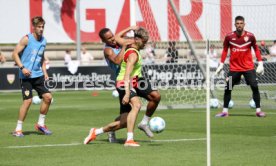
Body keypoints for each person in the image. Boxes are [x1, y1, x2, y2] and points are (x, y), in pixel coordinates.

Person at [84, 27, 161, 147]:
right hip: (124, 81)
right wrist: (127, 93)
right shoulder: (109, 50)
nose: (113, 39)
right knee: (128, 117)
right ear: (104, 41)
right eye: (109, 38)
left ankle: (143, 124)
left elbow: (118, 37)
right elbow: (118, 61)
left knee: (155, 96)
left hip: (135, 79)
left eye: (112, 36)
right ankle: (123, 138)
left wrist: (130, 28)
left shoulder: (127, 44)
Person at [215, 15, 265, 118]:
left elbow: (256, 49)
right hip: (234, 69)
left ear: (244, 24)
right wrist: (221, 64)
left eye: (241, 23)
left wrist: (260, 63)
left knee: (255, 87)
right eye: (237, 23)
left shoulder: (250, 36)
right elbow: (225, 50)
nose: (239, 25)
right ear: (235, 24)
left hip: (248, 68)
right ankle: (225, 112)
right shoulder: (229, 37)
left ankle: (258, 111)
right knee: (227, 88)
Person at [12, 16, 53, 137]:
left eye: (42, 27)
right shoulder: (26, 39)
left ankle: (41, 124)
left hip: (38, 75)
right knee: (28, 101)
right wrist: (22, 68)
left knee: (48, 98)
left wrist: (45, 72)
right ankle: (18, 129)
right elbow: (14, 54)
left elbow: (41, 58)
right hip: (25, 77)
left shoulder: (44, 41)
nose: (41, 29)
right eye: (39, 27)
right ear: (34, 27)